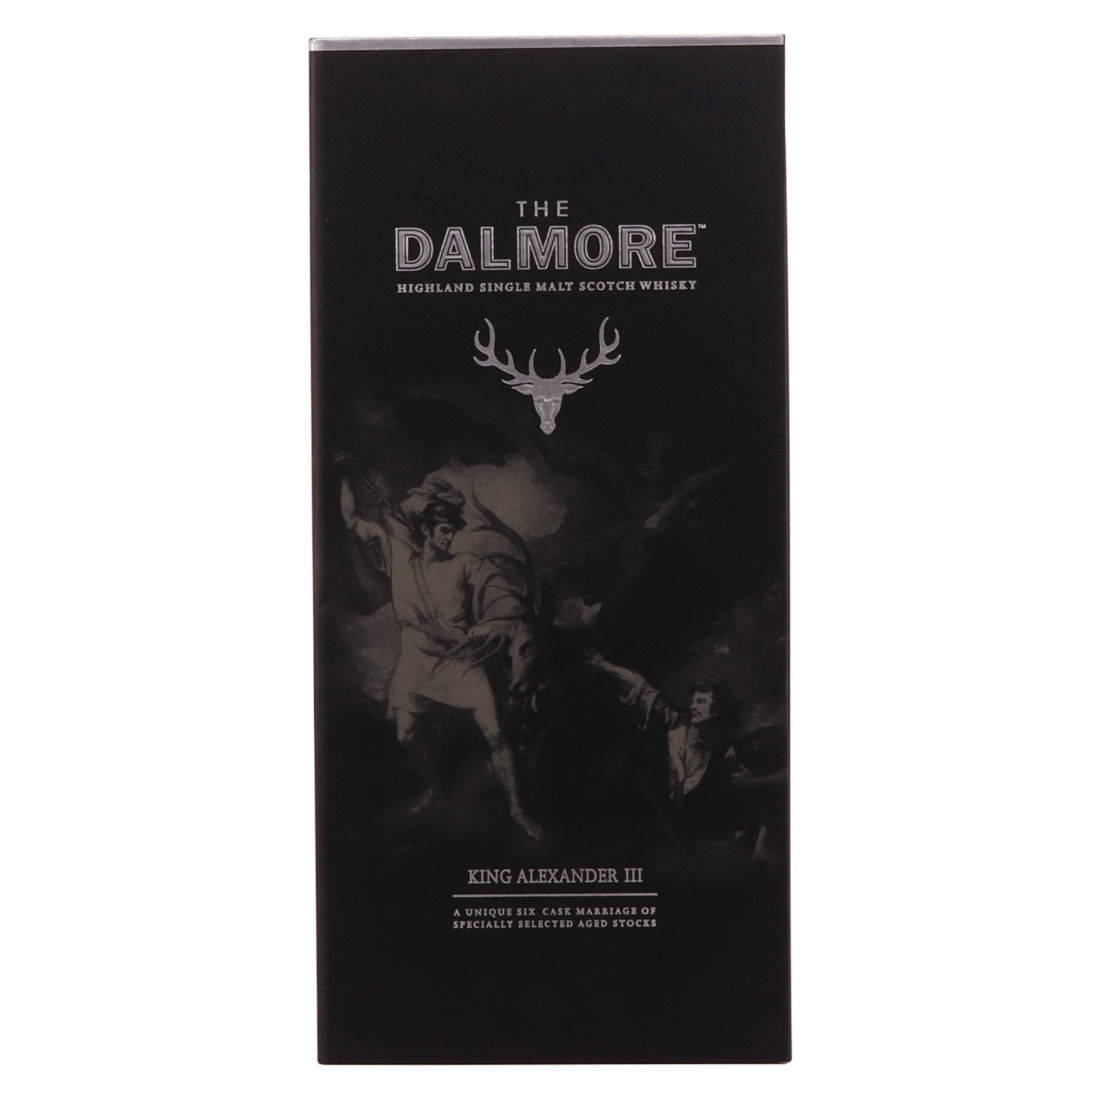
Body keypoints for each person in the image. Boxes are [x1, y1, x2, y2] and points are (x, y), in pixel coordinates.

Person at [340, 474, 542, 841]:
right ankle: (435, 788)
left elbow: (499, 594)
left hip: (459, 658)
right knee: (405, 735)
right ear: (426, 531)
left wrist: (486, 629)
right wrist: (342, 473)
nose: (450, 538)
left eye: (452, 531)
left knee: (495, 732)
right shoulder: (399, 555)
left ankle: (518, 810)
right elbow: (352, 520)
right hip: (416, 660)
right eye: (445, 531)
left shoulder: (465, 563)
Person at [582, 651, 743, 838]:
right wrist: (606, 667)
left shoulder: (721, 750)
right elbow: (643, 688)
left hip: (698, 828)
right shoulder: (675, 722)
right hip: (652, 815)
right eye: (693, 701)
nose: (692, 706)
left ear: (716, 710)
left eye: (701, 702)